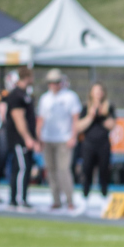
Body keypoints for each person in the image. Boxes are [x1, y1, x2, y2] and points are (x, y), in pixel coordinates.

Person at [35, 69, 80, 211]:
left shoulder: (70, 97)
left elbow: (75, 119)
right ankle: (56, 200)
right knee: (51, 171)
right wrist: (38, 137)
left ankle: (69, 200)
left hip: (63, 139)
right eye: (51, 82)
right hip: (48, 138)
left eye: (56, 82)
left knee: (64, 170)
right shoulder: (45, 98)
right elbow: (41, 119)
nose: (54, 85)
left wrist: (73, 136)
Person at [2, 66, 38, 211]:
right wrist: (27, 138)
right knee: (22, 168)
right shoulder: (17, 95)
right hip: (19, 139)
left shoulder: (24, 94)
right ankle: (18, 199)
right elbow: (19, 119)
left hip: (23, 138)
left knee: (23, 168)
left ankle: (17, 199)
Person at [74, 82, 116, 201]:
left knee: (104, 171)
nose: (98, 94)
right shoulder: (85, 107)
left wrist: (102, 115)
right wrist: (91, 116)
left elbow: (112, 125)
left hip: (103, 144)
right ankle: (85, 198)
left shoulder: (109, 107)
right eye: (95, 91)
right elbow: (78, 127)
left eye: (100, 91)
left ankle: (104, 197)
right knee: (86, 171)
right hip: (88, 144)